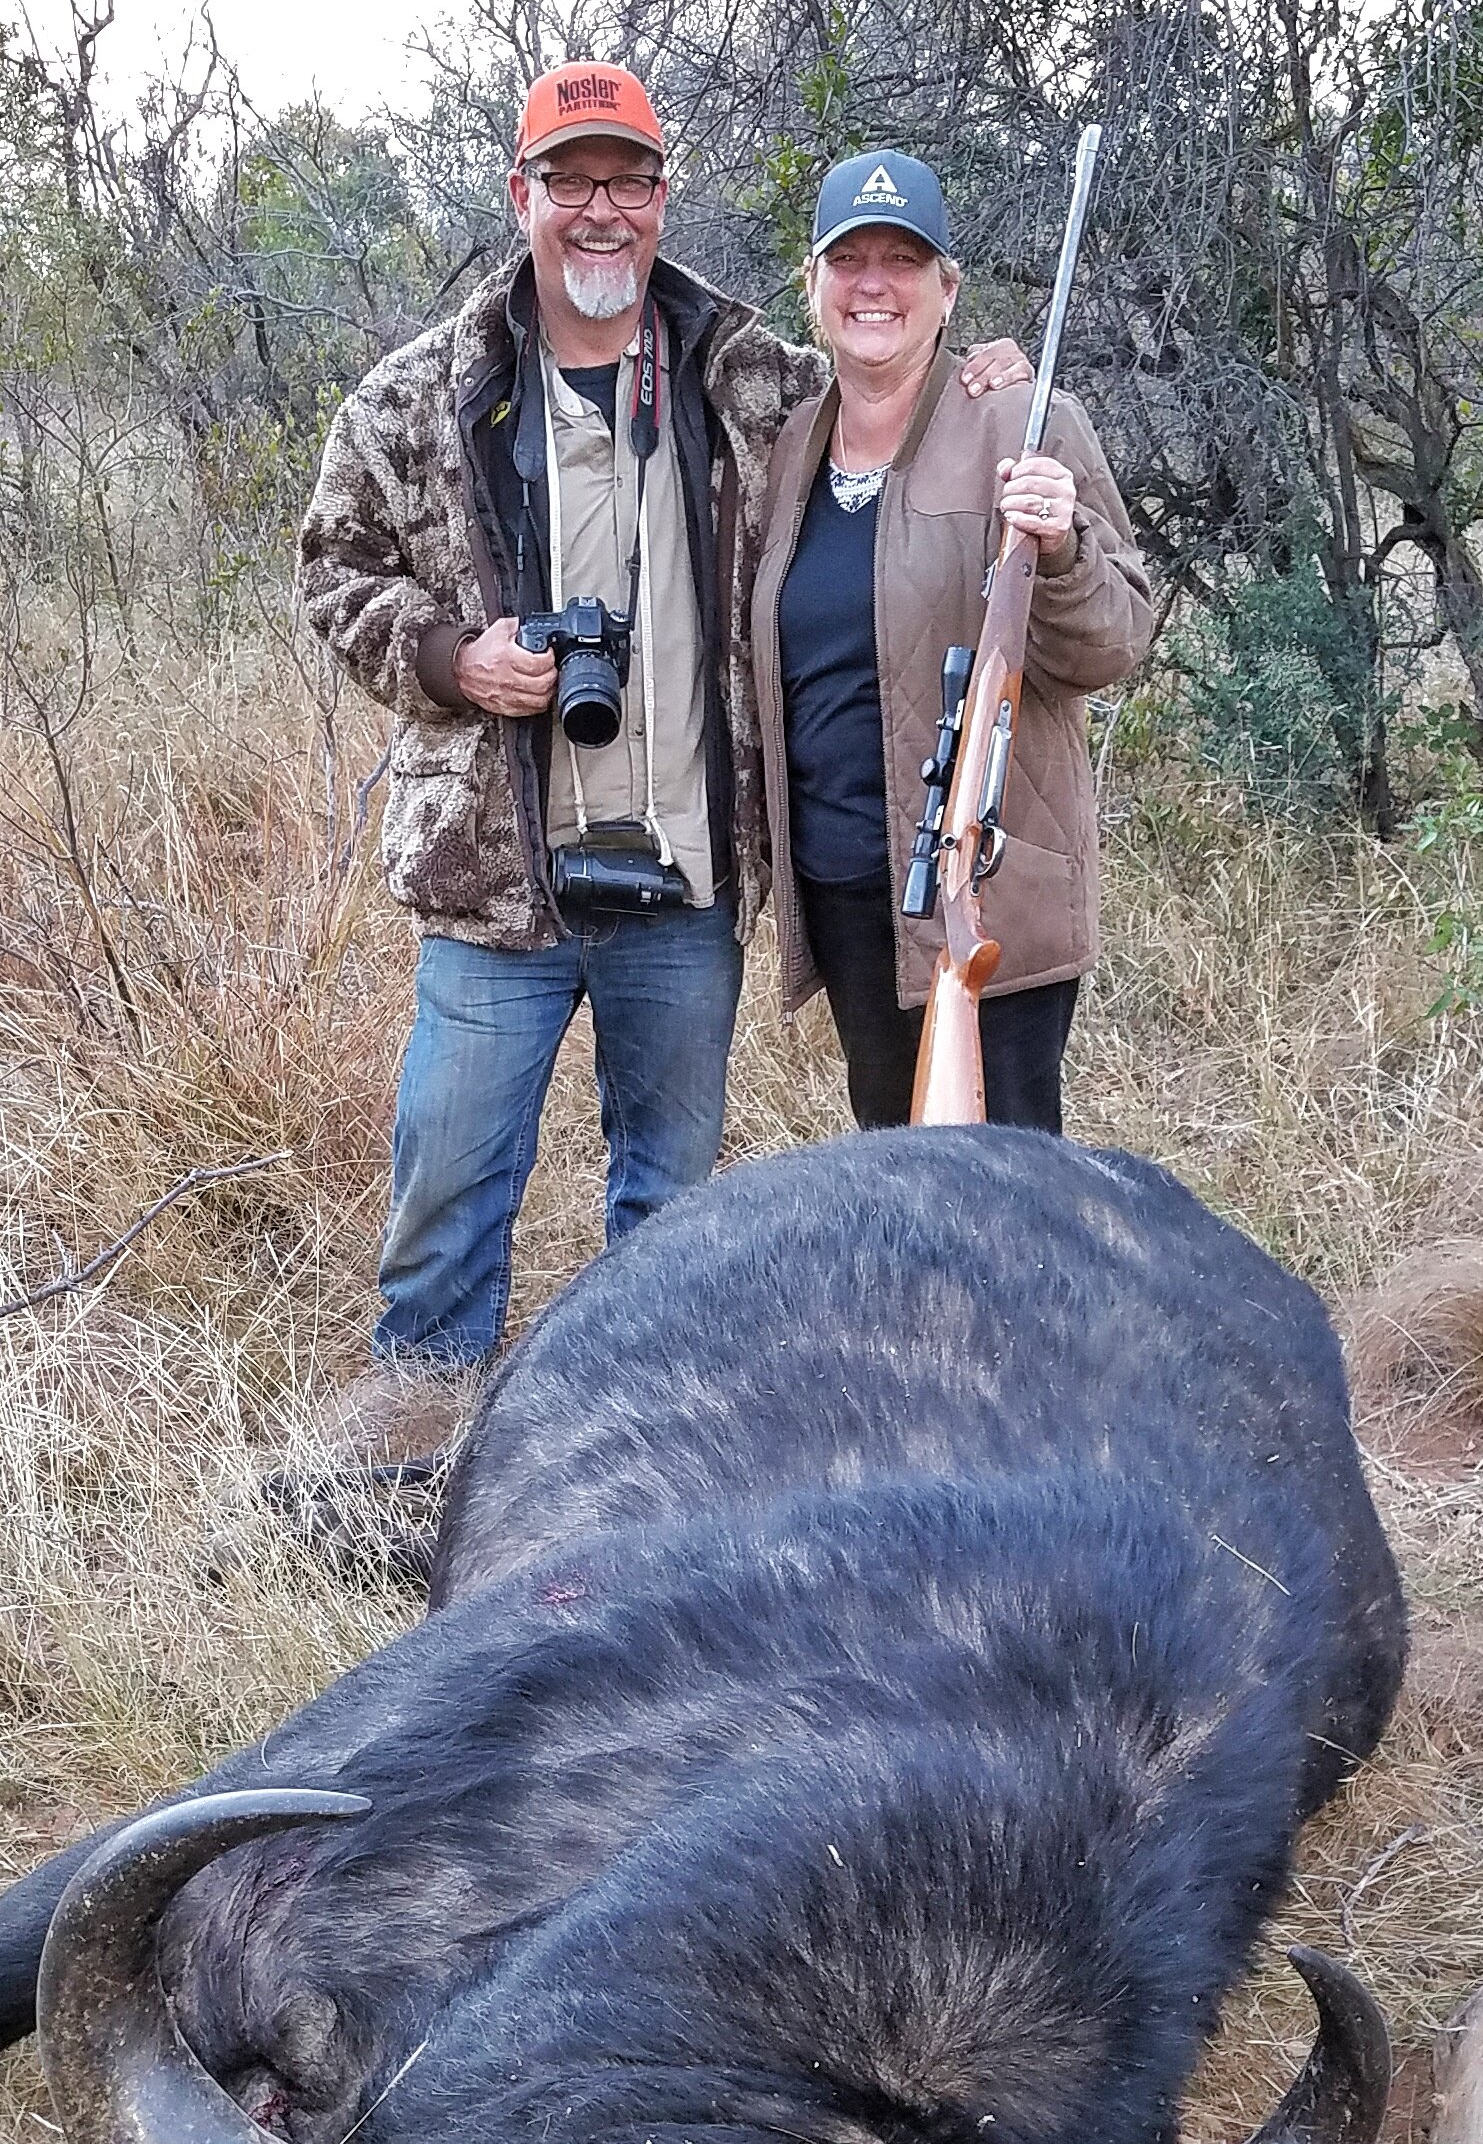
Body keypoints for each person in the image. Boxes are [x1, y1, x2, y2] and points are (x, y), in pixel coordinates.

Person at [292, 73, 1032, 1484]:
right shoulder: (417, 394)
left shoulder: (754, 380)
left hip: (683, 879)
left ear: (660, 200)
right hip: (492, 885)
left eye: (627, 179)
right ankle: (409, 1456)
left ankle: (642, 1455)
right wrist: (454, 656)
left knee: (670, 1202)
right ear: (522, 198)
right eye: (570, 179)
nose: (600, 209)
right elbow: (332, 575)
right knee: (449, 1190)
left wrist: (985, 378)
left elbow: (891, 389)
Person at [751, 148, 1157, 1133]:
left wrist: (1061, 548)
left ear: (947, 288)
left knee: (1007, 1208)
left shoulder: (1023, 420)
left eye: (904, 260)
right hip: (846, 890)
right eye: (850, 261)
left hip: (991, 892)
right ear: (813, 285)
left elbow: (1115, 642)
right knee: (900, 1186)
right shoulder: (787, 443)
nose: (874, 285)